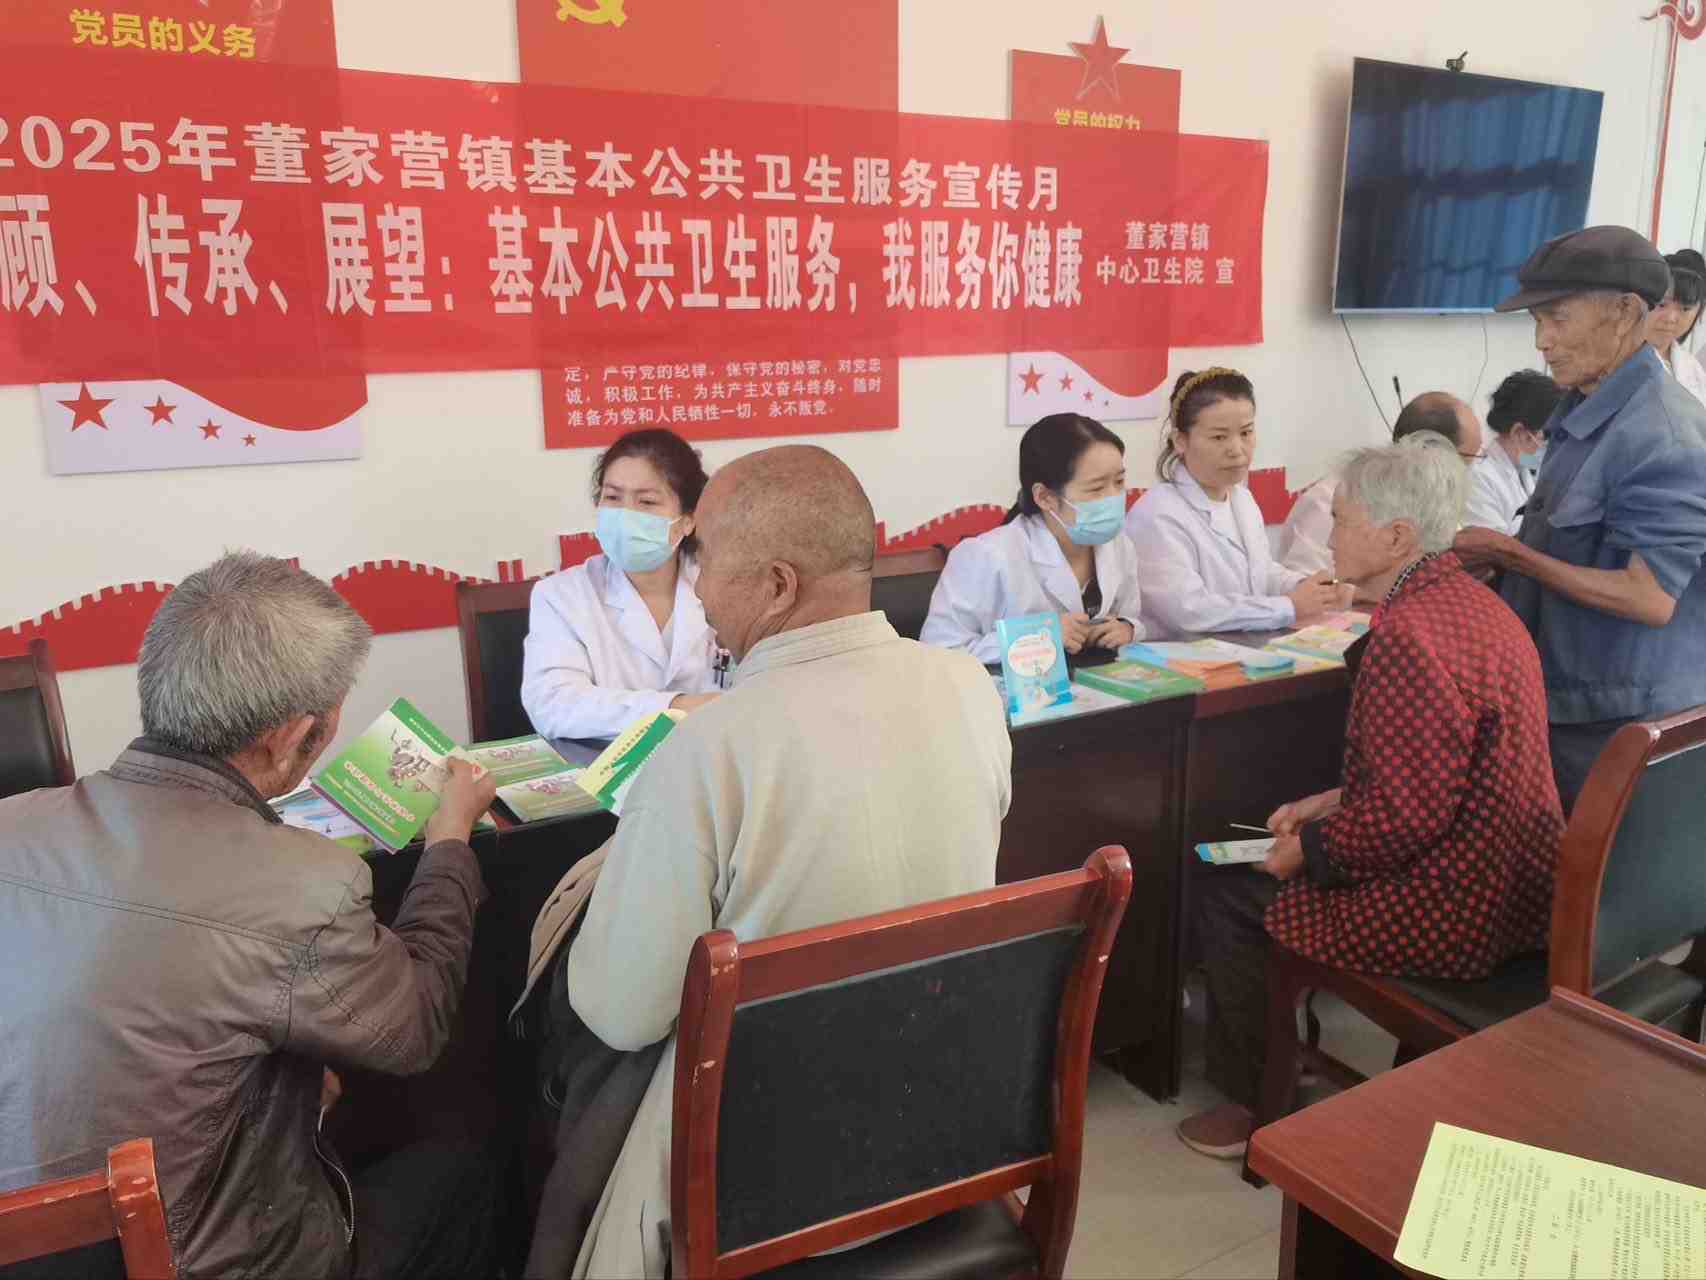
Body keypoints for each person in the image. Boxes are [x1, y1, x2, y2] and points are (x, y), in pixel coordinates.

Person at [534, 446, 1012, 1279]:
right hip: (943, 1123)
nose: (698, 591)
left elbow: (622, 1011)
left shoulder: (710, 745)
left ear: (779, 586)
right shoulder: (969, 687)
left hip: (766, 1170)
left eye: (707, 563)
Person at [0, 553, 500, 1279]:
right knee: (467, 1160)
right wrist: (450, 839)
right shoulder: (305, 885)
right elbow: (414, 1028)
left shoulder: (10, 824)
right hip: (211, 1263)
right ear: (296, 737)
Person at [1177, 441, 1562, 1160]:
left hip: (1455, 907)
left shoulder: (1407, 637)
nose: (1328, 535)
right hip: (1520, 887)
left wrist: (1305, 850)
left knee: (1234, 895)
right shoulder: (1476, 605)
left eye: (1342, 519)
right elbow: (1437, 769)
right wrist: (1333, 801)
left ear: (1396, 538)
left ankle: (1255, 1103)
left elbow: (1404, 819)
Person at [1456, 225, 1706, 812]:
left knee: (1594, 872)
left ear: (1625, 313)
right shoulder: (1583, 411)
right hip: (1563, 706)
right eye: (1536, 321)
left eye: (1558, 319)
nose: (1542, 341)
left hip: (1624, 729)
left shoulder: (1662, 434)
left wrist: (1512, 555)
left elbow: (1649, 597)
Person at [522, 429, 720, 741]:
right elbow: (553, 704)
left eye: (647, 501)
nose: (626, 515)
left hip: (712, 757)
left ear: (687, 520)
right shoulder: (561, 596)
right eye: (613, 498)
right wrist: (676, 707)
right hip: (602, 763)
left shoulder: (723, 585)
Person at [1125, 368, 1351, 636]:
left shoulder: (1241, 498)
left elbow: (1262, 574)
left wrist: (1309, 588)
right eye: (1219, 437)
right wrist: (1288, 606)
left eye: (1246, 433)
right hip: (1181, 652)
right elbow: (1189, 610)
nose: (1236, 449)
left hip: (1241, 648)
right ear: (1180, 441)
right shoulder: (1157, 514)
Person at [920, 412, 1142, 661]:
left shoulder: (1119, 545)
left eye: (1119, 481)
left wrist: (1127, 628)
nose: (1114, 497)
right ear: (1045, 497)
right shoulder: (985, 556)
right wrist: (1034, 639)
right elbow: (939, 651)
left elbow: (1132, 615)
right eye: (1097, 488)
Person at [1276, 391, 1487, 577]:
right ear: (1433, 453)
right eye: (1470, 458)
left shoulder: (1433, 501)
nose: (1472, 470)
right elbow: (1307, 590)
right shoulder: (1335, 500)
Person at [1463, 370, 1565, 535]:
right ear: (1519, 433)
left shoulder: (1524, 462)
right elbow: (1493, 546)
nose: (1556, 446)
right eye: (1549, 437)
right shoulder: (1478, 479)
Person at [1648, 248, 1705, 406]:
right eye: (1662, 305)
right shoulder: (1617, 360)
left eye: (1685, 308)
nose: (1671, 318)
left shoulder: (1693, 368)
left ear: (1699, 311)